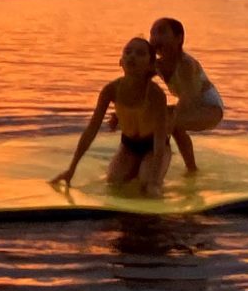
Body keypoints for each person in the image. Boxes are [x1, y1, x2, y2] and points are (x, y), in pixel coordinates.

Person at [54, 36, 176, 197]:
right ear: (120, 61)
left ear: (150, 65)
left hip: (153, 147)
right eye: (128, 52)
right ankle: (135, 166)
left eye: (140, 53)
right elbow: (91, 130)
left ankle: (148, 176)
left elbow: (160, 140)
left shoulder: (155, 94)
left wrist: (154, 181)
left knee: (146, 185)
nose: (132, 56)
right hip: (129, 146)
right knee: (114, 182)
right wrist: (71, 169)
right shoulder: (111, 90)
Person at [148, 14, 225, 174]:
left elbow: (188, 98)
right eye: (152, 33)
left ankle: (161, 170)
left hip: (211, 109)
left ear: (179, 38)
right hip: (190, 106)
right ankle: (190, 169)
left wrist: (168, 124)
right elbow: (137, 85)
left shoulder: (186, 64)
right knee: (158, 117)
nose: (155, 37)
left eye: (161, 32)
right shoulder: (158, 65)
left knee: (170, 123)